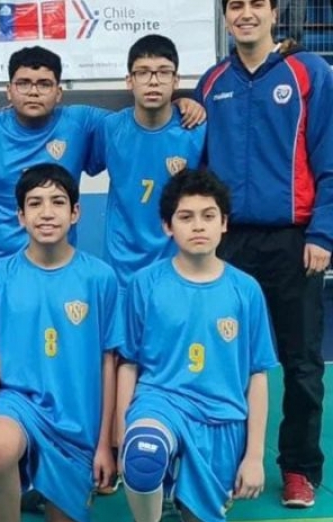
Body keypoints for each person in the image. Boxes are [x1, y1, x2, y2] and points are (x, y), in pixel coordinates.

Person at [0, 45, 206, 492]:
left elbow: (144, 114)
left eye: (44, 83)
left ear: (59, 91)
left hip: (59, 261)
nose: (34, 91)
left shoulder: (84, 122)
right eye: (24, 83)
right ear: (8, 89)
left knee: (66, 354)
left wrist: (186, 101)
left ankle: (81, 443)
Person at [196, 0, 333, 508]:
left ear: (274, 13)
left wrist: (323, 234)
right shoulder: (212, 83)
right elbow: (198, 167)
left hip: (294, 242)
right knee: (223, 359)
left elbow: (330, 159)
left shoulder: (309, 72)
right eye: (236, 5)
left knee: (302, 363)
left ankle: (298, 468)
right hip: (228, 244)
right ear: (226, 17)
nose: (246, 13)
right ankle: (226, 462)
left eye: (257, 3)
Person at [117, 170, 278, 522]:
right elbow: (128, 363)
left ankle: (180, 484)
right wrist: (122, 434)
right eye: (186, 217)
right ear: (167, 226)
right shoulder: (145, 284)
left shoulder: (246, 290)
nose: (198, 225)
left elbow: (257, 375)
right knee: (143, 454)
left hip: (221, 420)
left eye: (208, 216)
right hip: (162, 402)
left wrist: (254, 457)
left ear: (224, 223)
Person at [0, 164, 122, 522]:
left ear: (76, 212)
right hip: (20, 405)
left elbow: (109, 362)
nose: (47, 213)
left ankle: (38, 484)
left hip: (77, 423)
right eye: (35, 204)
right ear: (20, 216)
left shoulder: (100, 278)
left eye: (57, 202)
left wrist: (106, 444)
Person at [90, 34, 207, 495]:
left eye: (162, 73)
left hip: (177, 272)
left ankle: (179, 453)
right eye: (143, 72)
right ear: (129, 81)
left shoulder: (196, 128)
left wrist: (196, 105)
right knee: (118, 361)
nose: (153, 81)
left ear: (176, 80)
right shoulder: (109, 129)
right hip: (122, 272)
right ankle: (115, 451)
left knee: (172, 361)